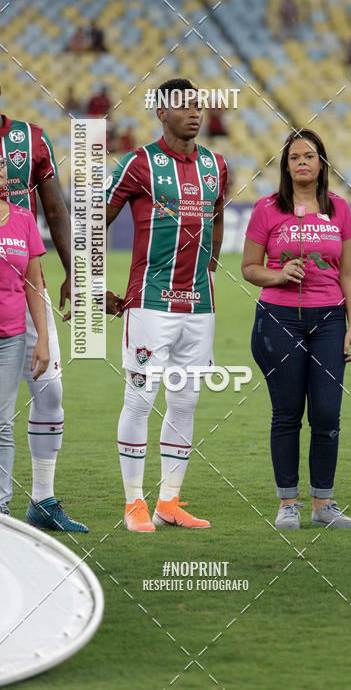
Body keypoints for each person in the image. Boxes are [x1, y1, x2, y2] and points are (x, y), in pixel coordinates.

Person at [105, 77, 227, 532]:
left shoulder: (217, 165)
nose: (195, 113)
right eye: (184, 106)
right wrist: (95, 284)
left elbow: (214, 226)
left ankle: (169, 503)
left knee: (186, 402)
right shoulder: (139, 164)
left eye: (199, 105)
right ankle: (134, 503)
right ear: (161, 112)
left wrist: (208, 269)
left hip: (199, 307)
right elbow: (99, 219)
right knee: (139, 399)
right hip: (150, 305)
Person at [242, 129, 351, 530]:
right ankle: (287, 503)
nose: (303, 162)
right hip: (279, 319)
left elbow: (349, 273)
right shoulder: (267, 209)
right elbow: (248, 268)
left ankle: (323, 504)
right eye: (295, 157)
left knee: (327, 413)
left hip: (329, 320)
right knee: (287, 413)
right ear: (286, 166)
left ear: (322, 163)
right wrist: (277, 275)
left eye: (310, 156)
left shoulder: (340, 209)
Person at [0, 93, 87, 531]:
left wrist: (74, 272)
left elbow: (55, 209)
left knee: (49, 391)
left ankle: (42, 498)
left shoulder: (30, 139)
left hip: (24, 285)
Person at [0, 155, 50, 516]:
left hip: (11, 339)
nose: (3, 172)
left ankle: (0, 507)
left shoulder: (22, 218)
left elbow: (34, 283)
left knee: (2, 422)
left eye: (3, 166)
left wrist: (43, 338)